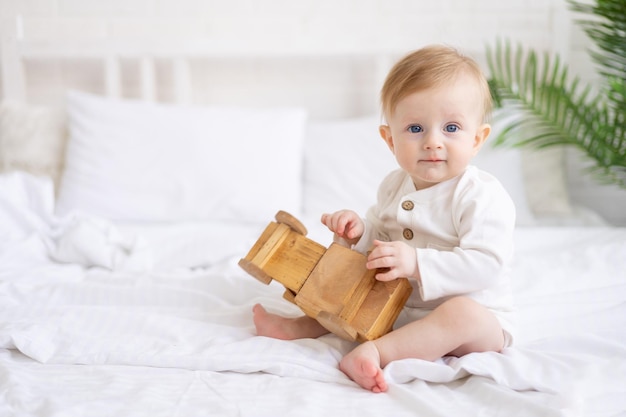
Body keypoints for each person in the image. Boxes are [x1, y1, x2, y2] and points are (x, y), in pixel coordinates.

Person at [253, 45, 516, 393]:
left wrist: (416, 262)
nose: (433, 142)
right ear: (390, 139)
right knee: (352, 279)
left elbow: (486, 266)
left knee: (462, 314)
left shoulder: (480, 195)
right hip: (398, 308)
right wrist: (359, 233)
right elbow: (380, 235)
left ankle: (375, 352)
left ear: (477, 139)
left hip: (475, 324)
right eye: (415, 128)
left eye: (451, 127)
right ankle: (297, 327)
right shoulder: (394, 186)